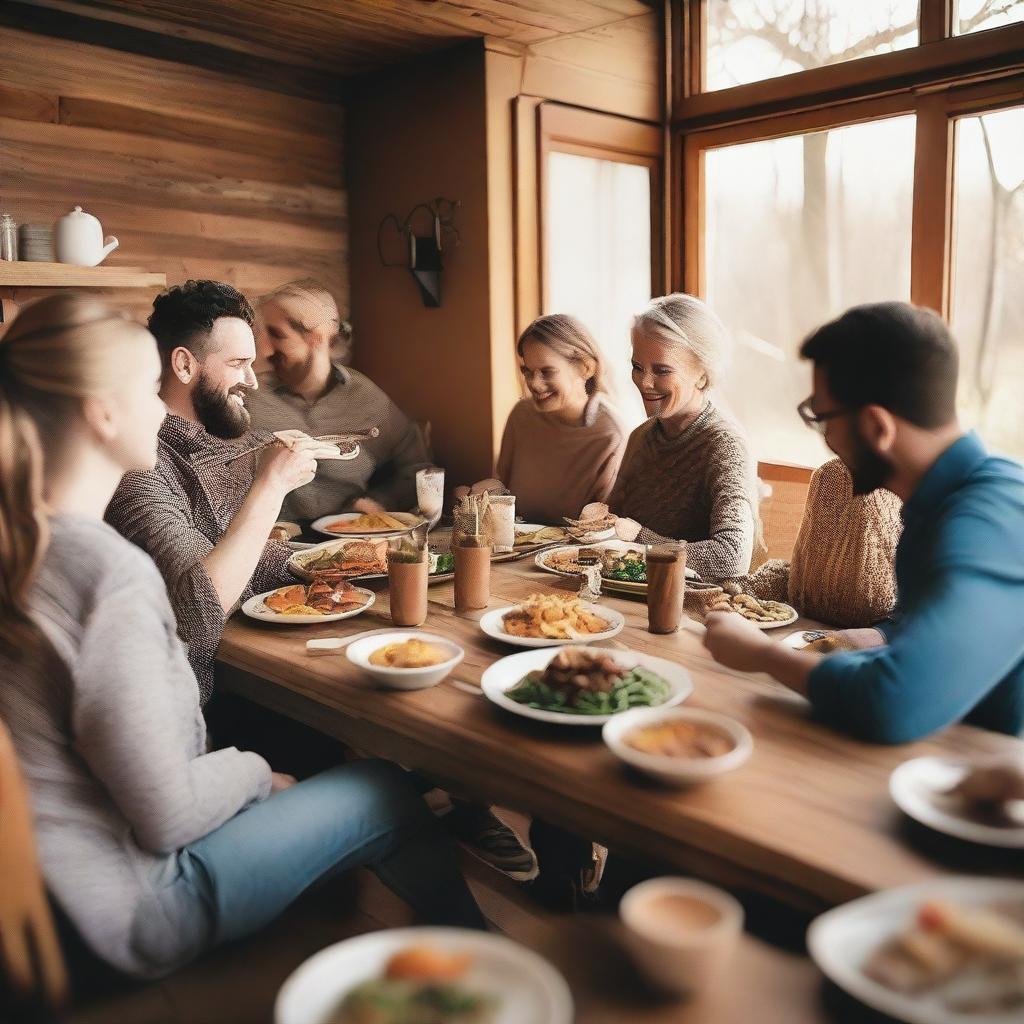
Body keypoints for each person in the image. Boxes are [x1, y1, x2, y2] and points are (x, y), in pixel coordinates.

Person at [0, 294, 485, 980]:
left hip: (50, 895)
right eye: (146, 390)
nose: (160, 410)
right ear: (101, 412)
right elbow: (167, 815)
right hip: (124, 912)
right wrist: (260, 776)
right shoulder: (107, 577)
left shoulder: (27, 543)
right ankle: (484, 967)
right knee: (383, 788)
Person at [704, 301, 1024, 743]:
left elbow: (895, 703)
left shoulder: (985, 525)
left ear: (877, 426)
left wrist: (763, 655)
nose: (826, 440)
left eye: (822, 418)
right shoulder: (947, 501)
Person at [106, 280, 318, 704]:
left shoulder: (217, 441)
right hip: (192, 708)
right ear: (184, 366)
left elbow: (237, 556)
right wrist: (271, 486)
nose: (253, 382)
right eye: (239, 363)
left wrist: (355, 561)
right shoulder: (139, 468)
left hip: (236, 678)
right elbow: (199, 611)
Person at [246, 279, 431, 522]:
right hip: (267, 543)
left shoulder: (367, 399)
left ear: (317, 337)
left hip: (346, 540)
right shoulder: (250, 398)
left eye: (277, 335)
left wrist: (379, 501)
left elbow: (416, 470)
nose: (266, 351)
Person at [609, 293, 760, 580]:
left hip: (698, 607)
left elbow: (731, 558)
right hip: (632, 592)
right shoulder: (640, 437)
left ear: (702, 376)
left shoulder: (725, 445)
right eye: (637, 367)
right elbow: (614, 523)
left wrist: (642, 539)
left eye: (662, 371)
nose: (644, 382)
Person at [490, 314, 625, 524]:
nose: (534, 384)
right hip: (513, 550)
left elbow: (604, 528)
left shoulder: (610, 434)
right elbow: (501, 487)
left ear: (586, 368)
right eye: (528, 371)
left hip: (572, 555)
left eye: (547, 371)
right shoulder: (522, 414)